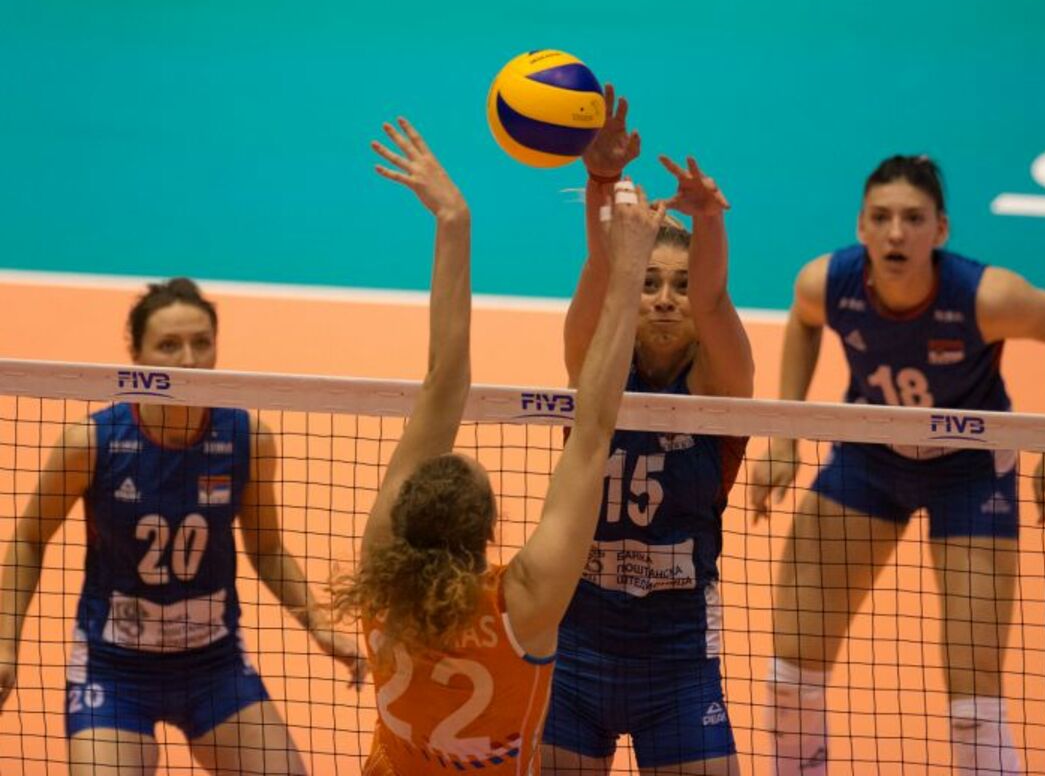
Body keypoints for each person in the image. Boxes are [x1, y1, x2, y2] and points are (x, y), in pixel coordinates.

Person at [333, 117, 661, 775]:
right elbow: (593, 428)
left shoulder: (381, 582)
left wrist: (453, 220)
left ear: (401, 519)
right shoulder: (520, 608)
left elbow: (446, 385)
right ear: (489, 529)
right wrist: (629, 269)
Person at [749, 155, 1045, 775]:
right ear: (860, 226)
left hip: (971, 472)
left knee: (973, 698)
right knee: (790, 673)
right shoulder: (826, 283)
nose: (896, 233)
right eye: (881, 217)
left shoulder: (987, 297)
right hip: (869, 457)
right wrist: (784, 436)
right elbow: (803, 323)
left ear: (941, 230)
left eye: (913, 219)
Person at [0, 278, 364, 774]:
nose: (189, 360)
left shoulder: (247, 438)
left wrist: (319, 626)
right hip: (114, 671)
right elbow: (28, 538)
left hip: (214, 668)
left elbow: (268, 548)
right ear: (136, 354)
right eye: (169, 345)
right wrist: (5, 643)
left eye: (201, 343)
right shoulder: (91, 442)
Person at [541, 86, 755, 775]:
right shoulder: (596, 370)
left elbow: (715, 302)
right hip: (573, 652)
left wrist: (709, 218)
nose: (664, 299)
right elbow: (602, 270)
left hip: (679, 663)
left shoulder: (721, 389)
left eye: (679, 285)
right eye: (650, 283)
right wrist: (601, 182)